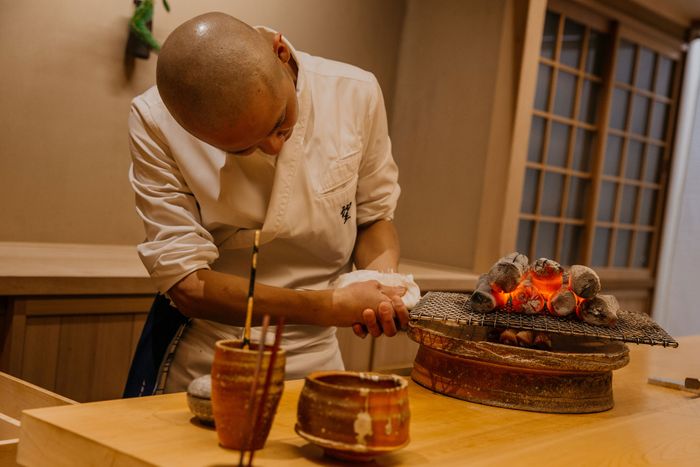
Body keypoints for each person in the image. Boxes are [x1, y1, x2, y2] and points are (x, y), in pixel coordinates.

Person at [123, 12, 408, 396]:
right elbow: (187, 284)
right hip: (208, 348)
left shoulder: (355, 93)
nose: (274, 147)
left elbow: (373, 217)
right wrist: (331, 306)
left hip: (319, 353)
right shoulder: (155, 120)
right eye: (243, 148)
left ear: (281, 53)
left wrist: (383, 286)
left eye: (281, 122)